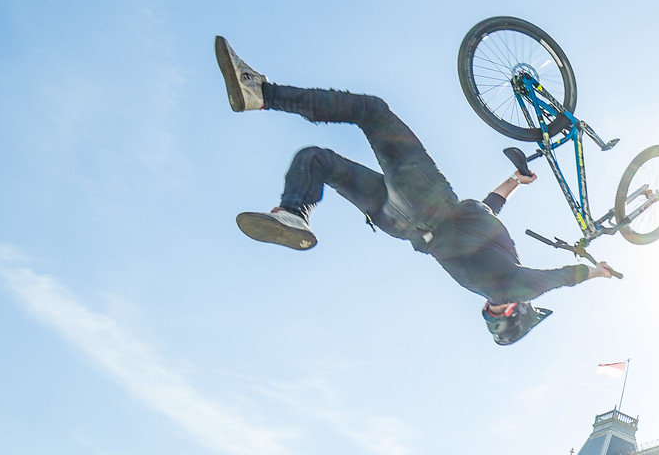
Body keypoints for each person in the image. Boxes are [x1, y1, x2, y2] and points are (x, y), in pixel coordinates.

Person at [215, 38, 621, 345]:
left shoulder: (505, 285)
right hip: (398, 222)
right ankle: (293, 213)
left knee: (371, 111)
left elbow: (556, 278)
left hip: (425, 201)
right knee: (317, 159)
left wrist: (595, 272)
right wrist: (515, 181)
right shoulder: (488, 267)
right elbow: (488, 207)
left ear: (515, 309)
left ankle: (263, 94)